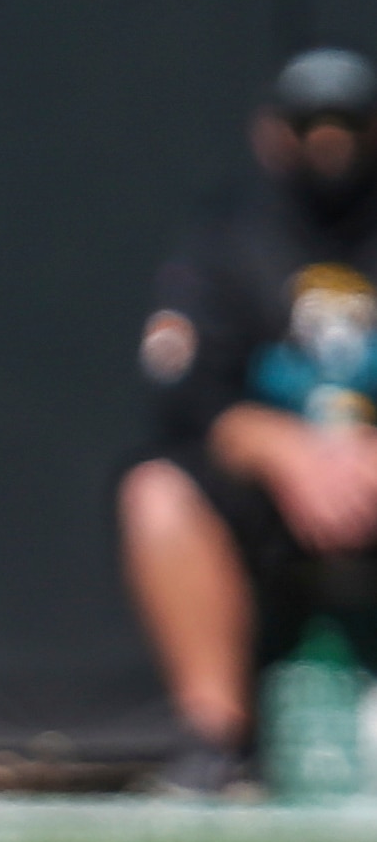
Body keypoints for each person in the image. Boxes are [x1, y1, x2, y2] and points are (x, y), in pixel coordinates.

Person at [119, 47, 377, 795]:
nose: (330, 147)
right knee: (157, 493)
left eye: (349, 126)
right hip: (271, 496)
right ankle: (216, 742)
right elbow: (186, 393)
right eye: (311, 128)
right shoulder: (228, 240)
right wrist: (284, 447)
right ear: (273, 134)